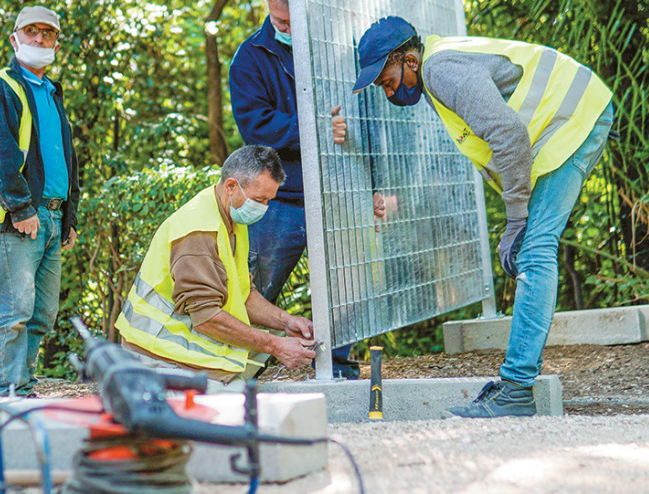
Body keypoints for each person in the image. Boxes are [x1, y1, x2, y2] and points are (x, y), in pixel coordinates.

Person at [349, 16, 614, 417]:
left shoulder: (441, 71)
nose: (387, 91)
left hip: (574, 119)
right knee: (533, 249)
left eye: (387, 80)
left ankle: (517, 389)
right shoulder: (437, 71)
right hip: (572, 119)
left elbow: (508, 134)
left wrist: (516, 220)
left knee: (534, 250)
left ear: (410, 61)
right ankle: (516, 386)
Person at [229, 0, 385, 378]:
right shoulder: (249, 58)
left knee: (347, 285)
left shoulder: (337, 50)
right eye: (280, 18)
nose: (286, 25)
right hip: (279, 199)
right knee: (257, 287)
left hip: (338, 191)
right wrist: (315, 128)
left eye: (293, 17)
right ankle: (236, 371)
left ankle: (337, 369)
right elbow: (255, 127)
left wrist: (375, 185)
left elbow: (366, 122)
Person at [115, 145, 316, 389]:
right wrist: (276, 345)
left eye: (268, 200)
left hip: (177, 346)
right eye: (259, 199)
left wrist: (286, 322)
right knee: (235, 405)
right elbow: (207, 318)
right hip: (156, 354)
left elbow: (243, 294)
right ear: (231, 186)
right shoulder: (199, 232)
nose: (264, 207)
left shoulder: (230, 216)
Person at [0, 6, 81, 398]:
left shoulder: (53, 92)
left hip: (53, 216)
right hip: (21, 218)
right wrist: (21, 208)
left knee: (42, 314)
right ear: (14, 39)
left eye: (48, 33)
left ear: (57, 43)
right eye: (31, 31)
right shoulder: (3, 85)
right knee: (14, 311)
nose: (39, 38)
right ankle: (7, 393)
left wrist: (69, 218)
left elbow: (67, 160)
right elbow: (0, 152)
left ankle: (22, 388)